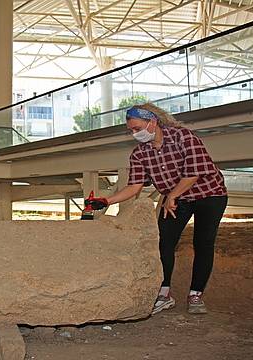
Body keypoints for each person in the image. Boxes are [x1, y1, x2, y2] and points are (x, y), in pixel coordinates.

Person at [85, 103, 228, 315]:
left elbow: (193, 173)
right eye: (131, 130)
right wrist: (107, 201)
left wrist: (171, 195)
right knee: (163, 242)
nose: (134, 134)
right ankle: (164, 293)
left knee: (203, 242)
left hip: (210, 194)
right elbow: (134, 186)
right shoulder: (139, 154)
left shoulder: (184, 138)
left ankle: (195, 294)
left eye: (137, 128)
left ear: (152, 122)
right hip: (177, 198)